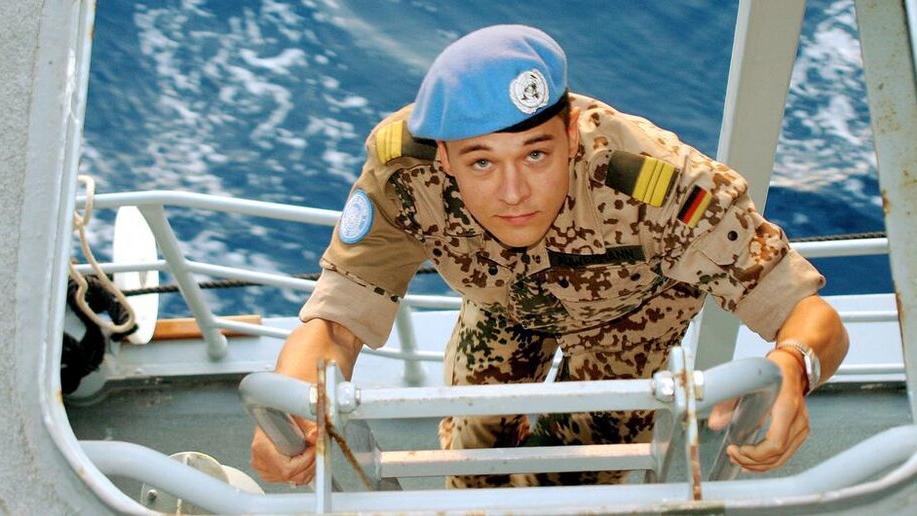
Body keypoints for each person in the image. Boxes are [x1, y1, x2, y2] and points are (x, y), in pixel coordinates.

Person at [250, 24, 849, 488]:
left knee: (577, 476)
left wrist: (792, 368)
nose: (513, 193)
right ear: (444, 159)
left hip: (629, 321)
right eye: (482, 162)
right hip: (502, 305)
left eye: (536, 154)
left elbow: (808, 315)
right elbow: (336, 324)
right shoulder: (405, 178)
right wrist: (292, 405)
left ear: (570, 132)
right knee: (472, 462)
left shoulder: (664, 186)